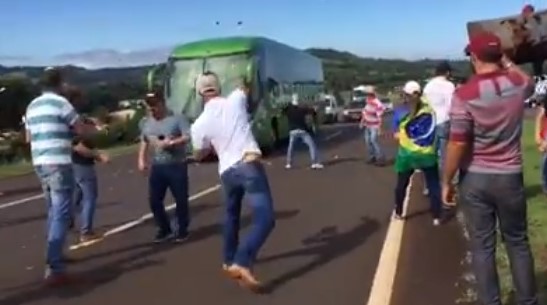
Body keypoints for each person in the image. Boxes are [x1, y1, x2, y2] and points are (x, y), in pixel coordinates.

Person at [443, 32, 539, 305]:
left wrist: (447, 180)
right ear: (499, 56)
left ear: (473, 58)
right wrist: (507, 61)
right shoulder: (517, 84)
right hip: (510, 175)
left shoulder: (464, 94)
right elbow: (530, 83)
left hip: (476, 177)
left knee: (483, 247)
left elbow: (457, 143)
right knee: (518, 243)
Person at [190, 72, 275, 291]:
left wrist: (210, 145)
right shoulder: (235, 100)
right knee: (265, 218)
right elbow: (245, 86)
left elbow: (199, 153)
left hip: (227, 171)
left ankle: (228, 260)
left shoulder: (199, 124)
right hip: (248, 164)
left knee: (231, 216)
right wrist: (242, 78)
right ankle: (242, 261)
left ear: (199, 92)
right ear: (218, 87)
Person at [25, 67, 98, 285]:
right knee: (62, 212)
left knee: (52, 209)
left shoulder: (32, 106)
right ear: (59, 83)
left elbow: (28, 138)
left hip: (40, 161)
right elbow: (81, 131)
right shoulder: (61, 103)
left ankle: (56, 254)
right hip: (58, 161)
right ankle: (54, 265)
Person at [138, 90, 191, 243]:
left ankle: (182, 229)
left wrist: (172, 142)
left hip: (176, 164)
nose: (152, 109)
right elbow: (144, 139)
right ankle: (164, 228)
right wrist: (141, 159)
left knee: (181, 199)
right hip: (158, 166)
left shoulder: (177, 118)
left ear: (162, 103)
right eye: (149, 107)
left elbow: (187, 136)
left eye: (154, 106)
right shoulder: (146, 122)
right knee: (154, 200)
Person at [392, 81, 442, 226]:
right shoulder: (429, 109)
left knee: (401, 184)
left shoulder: (400, 112)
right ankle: (436, 216)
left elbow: (396, 135)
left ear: (406, 95)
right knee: (433, 184)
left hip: (407, 156)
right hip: (427, 155)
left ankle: (399, 212)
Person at [65, 86, 110, 241]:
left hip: (70, 163)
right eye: (80, 99)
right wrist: (98, 155)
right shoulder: (73, 120)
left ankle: (68, 222)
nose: (83, 101)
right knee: (90, 196)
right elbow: (78, 146)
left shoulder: (68, 118)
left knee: (77, 194)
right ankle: (86, 231)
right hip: (81, 163)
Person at [283, 93, 323, 169]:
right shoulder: (301, 109)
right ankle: (314, 162)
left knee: (291, 147)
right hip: (302, 131)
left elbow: (282, 111)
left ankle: (289, 163)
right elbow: (312, 111)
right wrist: (315, 109)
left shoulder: (288, 109)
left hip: (292, 131)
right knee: (311, 145)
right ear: (298, 101)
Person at [359, 85, 386, 165]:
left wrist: (380, 128)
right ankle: (372, 156)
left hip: (374, 125)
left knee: (373, 140)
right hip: (367, 124)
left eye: (369, 94)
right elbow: (365, 111)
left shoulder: (377, 103)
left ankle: (380, 157)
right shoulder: (367, 101)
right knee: (368, 141)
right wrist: (362, 121)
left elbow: (380, 116)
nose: (367, 95)